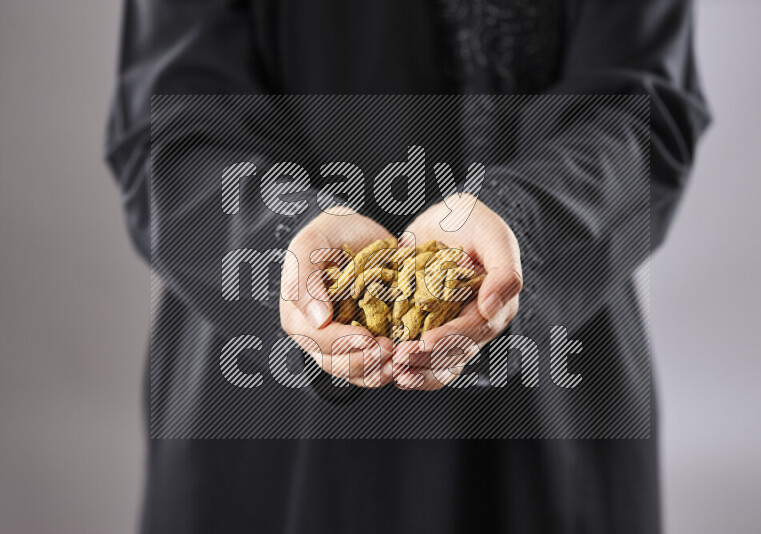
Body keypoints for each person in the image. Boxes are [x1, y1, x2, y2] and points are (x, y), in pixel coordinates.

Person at [105, 0, 710, 532]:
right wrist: (284, 237)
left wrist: (522, 222)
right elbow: (168, 128)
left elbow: (645, 110)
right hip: (272, 430)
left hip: (547, 411)